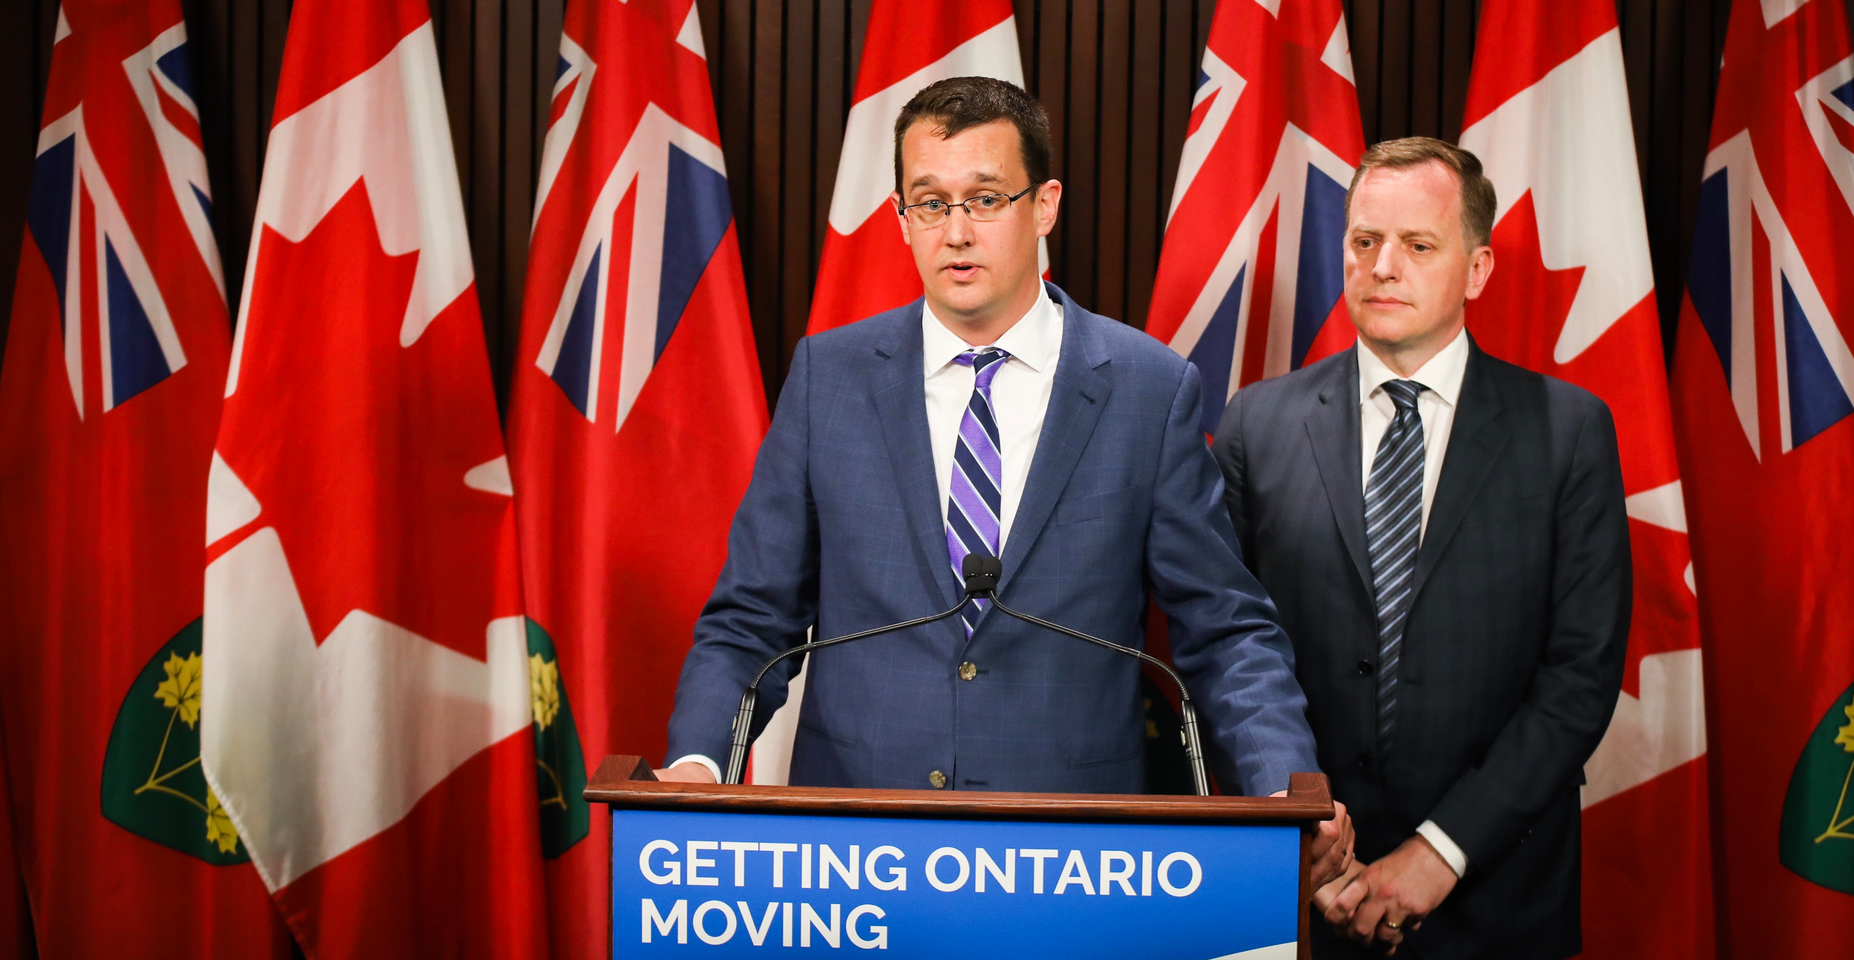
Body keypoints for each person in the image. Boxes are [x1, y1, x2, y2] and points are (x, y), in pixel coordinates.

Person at [660, 76, 1349, 883]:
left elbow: (1224, 628)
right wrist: (699, 766)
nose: (956, 231)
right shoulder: (829, 378)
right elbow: (751, 618)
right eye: (930, 202)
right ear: (900, 219)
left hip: (1072, 856)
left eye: (985, 199)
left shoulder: (1145, 388)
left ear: (1044, 206)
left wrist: (1280, 786)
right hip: (855, 852)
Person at [1212, 137, 1632, 958]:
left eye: (1418, 245)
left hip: (1495, 902)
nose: (1383, 266)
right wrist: (1303, 830)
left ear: (1477, 269)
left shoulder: (1569, 432)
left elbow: (1580, 676)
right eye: (1365, 242)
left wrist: (1441, 850)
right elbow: (1226, 643)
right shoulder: (1255, 426)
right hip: (1297, 898)